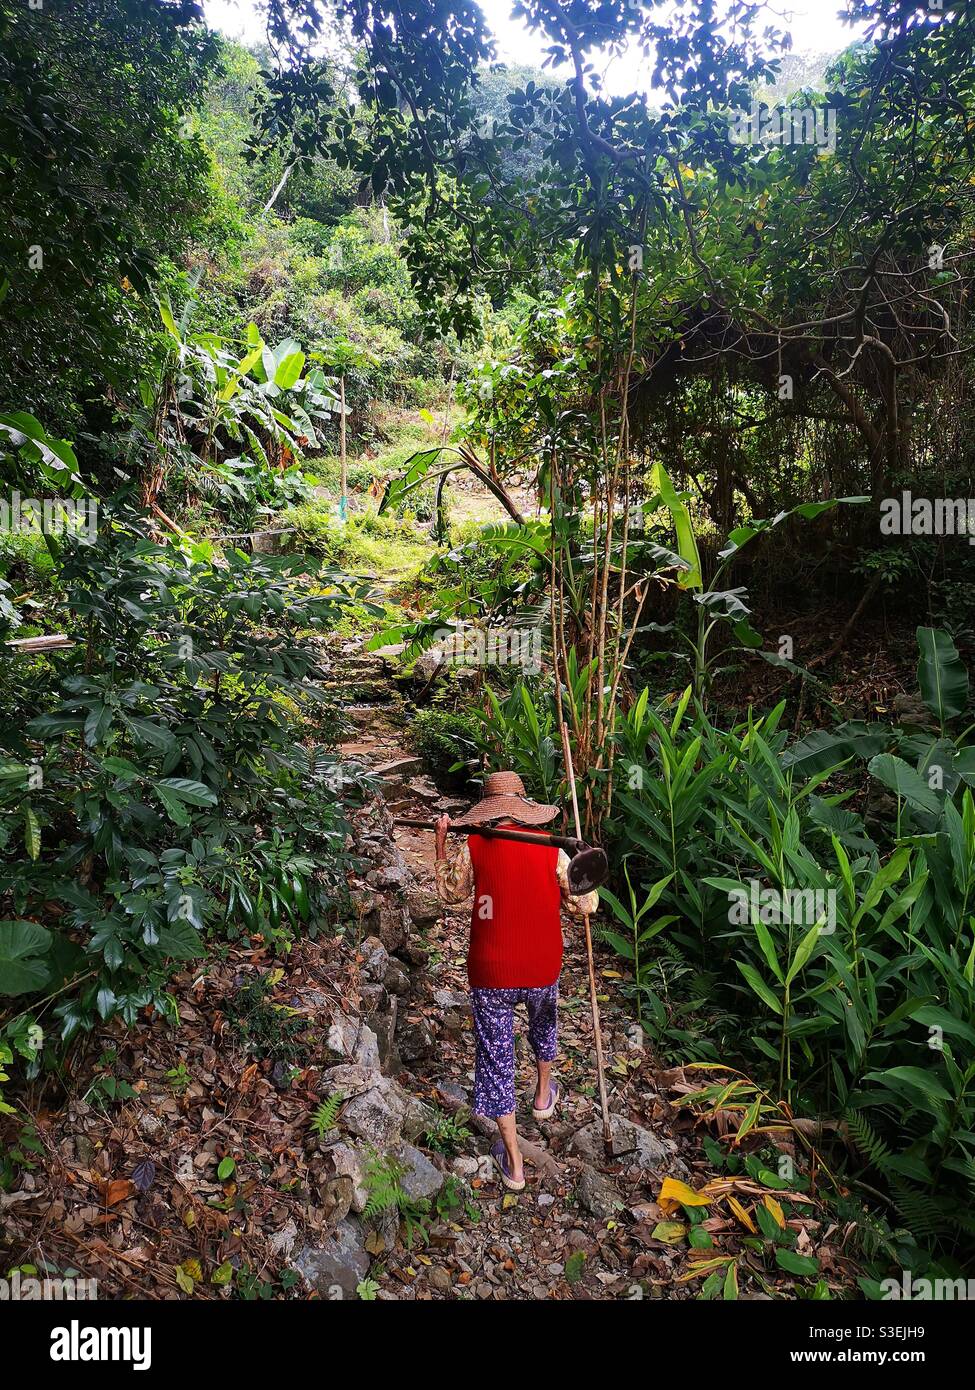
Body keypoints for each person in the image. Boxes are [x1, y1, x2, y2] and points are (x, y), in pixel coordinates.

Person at [433, 771, 598, 1191]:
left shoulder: (474, 845)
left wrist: (440, 843)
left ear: (488, 810)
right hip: (543, 965)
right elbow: (587, 905)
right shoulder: (553, 851)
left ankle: (515, 1163)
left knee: (497, 1057)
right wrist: (584, 866)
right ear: (525, 808)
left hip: (492, 971)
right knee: (544, 1024)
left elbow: (448, 894)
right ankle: (543, 1097)